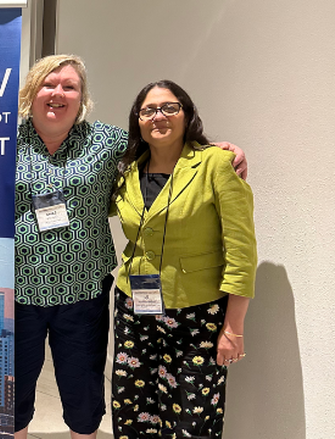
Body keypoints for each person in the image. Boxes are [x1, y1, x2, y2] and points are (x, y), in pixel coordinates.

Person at [13, 55, 246, 439]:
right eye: (48, 84)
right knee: (13, 386)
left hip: (83, 291)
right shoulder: (1, 141)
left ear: (82, 97)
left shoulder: (109, 142)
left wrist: (221, 148)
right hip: (17, 288)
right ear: (31, 92)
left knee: (83, 388)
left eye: (69, 86)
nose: (58, 93)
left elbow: (165, 146)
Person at [110, 80, 256, 438]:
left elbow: (241, 251)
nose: (158, 116)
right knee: (132, 410)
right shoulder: (127, 172)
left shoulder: (216, 164)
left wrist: (234, 327)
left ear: (187, 114)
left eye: (169, 107)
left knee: (192, 418)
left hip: (197, 312)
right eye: (148, 110)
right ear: (138, 121)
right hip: (134, 307)